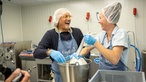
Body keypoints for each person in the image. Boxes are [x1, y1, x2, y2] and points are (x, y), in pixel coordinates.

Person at [33, 8, 89, 82]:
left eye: (70, 16)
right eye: (65, 16)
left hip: (77, 75)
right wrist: (50, 52)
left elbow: (87, 52)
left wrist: (80, 55)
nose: (69, 19)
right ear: (58, 19)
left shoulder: (77, 32)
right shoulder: (50, 34)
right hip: (59, 77)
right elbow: (36, 52)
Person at [82, 2, 129, 71]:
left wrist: (95, 43)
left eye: (100, 18)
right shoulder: (102, 35)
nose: (99, 21)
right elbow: (87, 49)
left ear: (109, 18)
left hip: (118, 76)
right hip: (103, 75)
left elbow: (114, 59)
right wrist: (76, 56)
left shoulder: (121, 33)